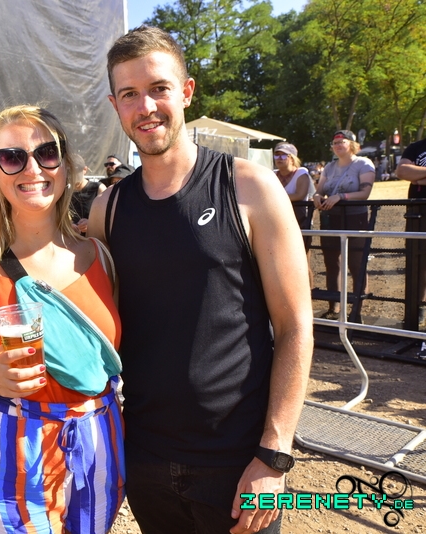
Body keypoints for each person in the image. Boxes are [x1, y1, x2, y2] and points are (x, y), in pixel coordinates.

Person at [87, 25, 312, 534]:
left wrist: (274, 454)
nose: (146, 106)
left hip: (237, 464)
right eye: (129, 94)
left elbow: (296, 325)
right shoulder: (108, 210)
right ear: (115, 105)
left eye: (159, 88)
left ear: (186, 91)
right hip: (145, 460)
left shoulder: (250, 187)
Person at [0, 105, 125, 534]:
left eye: (47, 152)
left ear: (66, 164)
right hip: (8, 463)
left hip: (97, 453)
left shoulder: (101, 256)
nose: (32, 168)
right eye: (12, 157)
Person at [313, 130, 375, 320]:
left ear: (352, 145)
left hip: (355, 218)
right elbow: (320, 190)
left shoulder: (363, 164)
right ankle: (334, 307)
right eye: (335, 142)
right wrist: (317, 197)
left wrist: (341, 197)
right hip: (330, 219)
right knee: (332, 263)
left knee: (357, 264)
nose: (338, 145)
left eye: (342, 142)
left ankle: (357, 310)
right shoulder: (330, 167)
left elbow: (364, 193)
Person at [274, 142, 315, 285]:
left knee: (302, 262)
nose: (279, 158)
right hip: (278, 223)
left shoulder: (301, 173)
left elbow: (299, 194)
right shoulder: (272, 174)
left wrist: (274, 197)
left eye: (283, 155)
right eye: (277, 155)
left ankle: (309, 293)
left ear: (292, 158)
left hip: (300, 222)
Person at [396, 137, 426, 330]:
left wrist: (418, 176)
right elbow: (402, 171)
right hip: (419, 214)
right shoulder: (416, 147)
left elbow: (411, 172)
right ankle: (418, 309)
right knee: (418, 262)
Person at [70, 153, 106, 235]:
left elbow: (108, 217)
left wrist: (91, 223)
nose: (72, 177)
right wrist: (69, 225)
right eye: (69, 173)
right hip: (72, 239)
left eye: (75, 172)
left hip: (94, 238)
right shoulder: (65, 191)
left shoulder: (98, 188)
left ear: (85, 170)